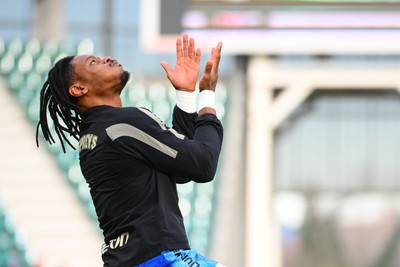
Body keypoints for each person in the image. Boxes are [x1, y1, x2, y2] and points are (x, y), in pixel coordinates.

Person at [36, 34, 226, 267]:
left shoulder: (94, 135)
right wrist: (207, 99)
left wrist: (185, 95)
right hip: (159, 258)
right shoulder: (123, 124)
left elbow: (180, 170)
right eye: (93, 62)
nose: (106, 58)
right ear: (78, 88)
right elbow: (203, 164)